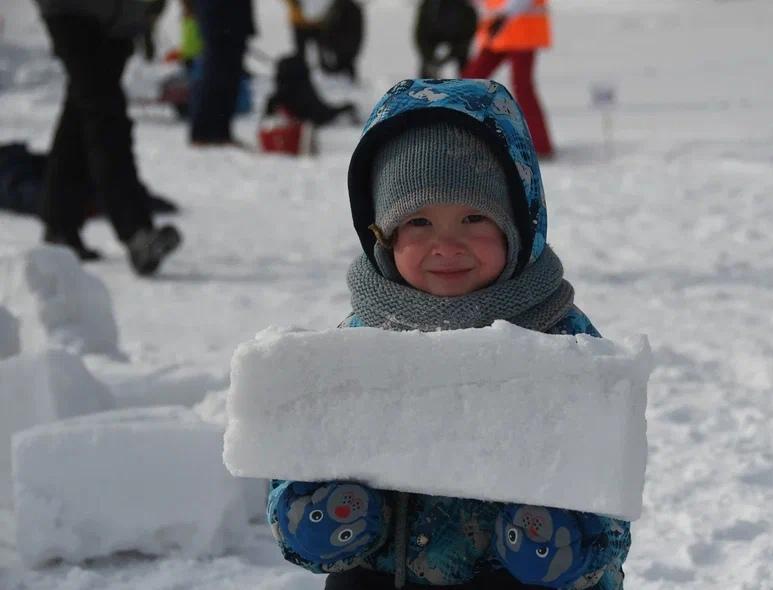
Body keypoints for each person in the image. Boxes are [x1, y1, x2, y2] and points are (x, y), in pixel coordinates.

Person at [266, 79, 630, 590]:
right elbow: (298, 460)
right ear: (383, 236)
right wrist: (314, 518)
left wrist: (571, 544)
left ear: (518, 224)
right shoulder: (362, 338)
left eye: (474, 217)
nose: (447, 245)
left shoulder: (560, 339)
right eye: (418, 222)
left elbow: (608, 493)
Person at [32, 0, 181, 275]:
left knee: (82, 115)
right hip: (73, 12)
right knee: (106, 118)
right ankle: (136, 230)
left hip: (122, 19)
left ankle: (60, 225)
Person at [461, 0, 554, 158]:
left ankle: (541, 145)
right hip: (500, 32)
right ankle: (460, 134)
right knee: (468, 81)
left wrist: (504, 15)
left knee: (522, 87)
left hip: (522, 31)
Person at [189, 0, 255, 145]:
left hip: (234, 18)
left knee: (230, 77)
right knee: (215, 75)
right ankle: (203, 131)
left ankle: (221, 131)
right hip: (218, 18)